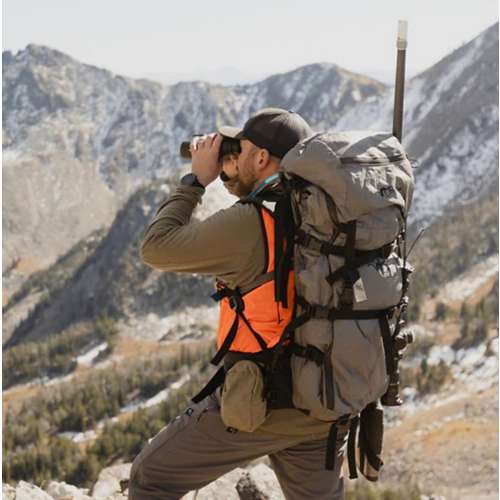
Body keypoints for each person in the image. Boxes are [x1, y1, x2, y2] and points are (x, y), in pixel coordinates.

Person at [128, 108, 351, 500]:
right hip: (327, 400)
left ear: (262, 159)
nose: (231, 157)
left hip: (265, 402)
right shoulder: (333, 215)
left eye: (240, 149)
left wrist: (196, 180)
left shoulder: (253, 222)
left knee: (151, 476)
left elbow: (155, 248)